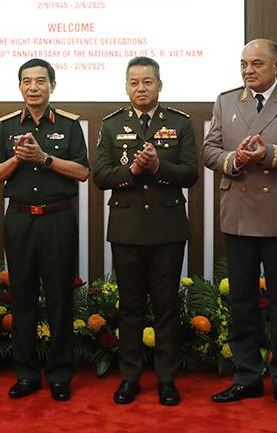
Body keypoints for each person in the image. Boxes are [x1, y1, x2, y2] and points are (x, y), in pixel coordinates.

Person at [201, 39, 277, 413]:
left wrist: (269, 154)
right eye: (243, 64)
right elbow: (209, 151)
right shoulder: (226, 101)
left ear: (276, 65)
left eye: (256, 63)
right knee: (242, 302)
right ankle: (246, 377)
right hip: (239, 213)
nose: (248, 70)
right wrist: (235, 160)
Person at [93, 57, 198, 406]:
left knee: (167, 306)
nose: (141, 88)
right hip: (127, 230)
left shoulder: (180, 122)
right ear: (126, 87)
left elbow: (190, 174)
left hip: (168, 229)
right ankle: (130, 378)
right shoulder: (111, 124)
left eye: (148, 82)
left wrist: (158, 166)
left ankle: (167, 380)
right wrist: (134, 172)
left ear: (160, 85)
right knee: (130, 307)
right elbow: (101, 176)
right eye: (134, 82)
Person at [0, 58, 89, 402]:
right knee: (22, 298)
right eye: (27, 81)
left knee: (60, 299)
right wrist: (19, 158)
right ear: (19, 87)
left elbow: (82, 172)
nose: (33, 87)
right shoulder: (6, 127)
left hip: (57, 219)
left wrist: (44, 157)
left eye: (40, 81)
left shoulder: (70, 125)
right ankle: (26, 374)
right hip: (19, 220)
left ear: (52, 86)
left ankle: (59, 375)